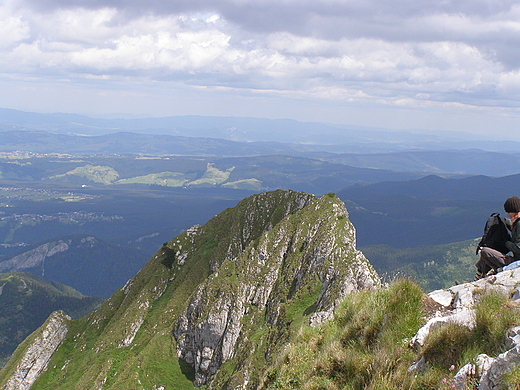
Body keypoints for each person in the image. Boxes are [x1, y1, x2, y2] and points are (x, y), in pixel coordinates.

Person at [475, 196, 520, 280]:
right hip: (516, 260)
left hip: (516, 262)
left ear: (513, 210)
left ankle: (483, 276)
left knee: (486, 252)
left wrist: (505, 243)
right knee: (493, 251)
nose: (507, 214)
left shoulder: (519, 224)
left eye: (508, 212)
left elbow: (518, 248)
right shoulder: (516, 222)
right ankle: (478, 278)